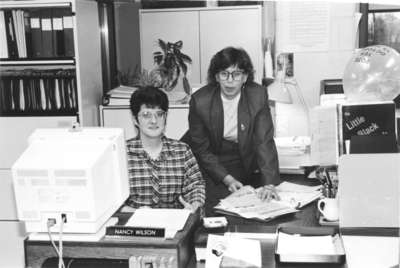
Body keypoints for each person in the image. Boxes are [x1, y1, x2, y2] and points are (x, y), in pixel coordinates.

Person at [184, 47, 281, 213]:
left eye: (236, 74)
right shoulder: (200, 101)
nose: (230, 80)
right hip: (210, 161)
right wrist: (227, 179)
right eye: (224, 74)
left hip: (242, 157)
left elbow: (264, 141)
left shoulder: (257, 96)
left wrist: (269, 184)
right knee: (218, 208)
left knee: (260, 202)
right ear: (216, 77)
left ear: (244, 77)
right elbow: (202, 150)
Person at [124, 86, 205, 212]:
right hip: (135, 226)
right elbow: (109, 200)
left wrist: (194, 205)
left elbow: (196, 186)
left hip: (175, 224)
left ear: (165, 117)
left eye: (159, 114)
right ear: (135, 119)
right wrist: (131, 211)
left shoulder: (182, 151)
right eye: (146, 115)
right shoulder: (122, 153)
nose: (154, 121)